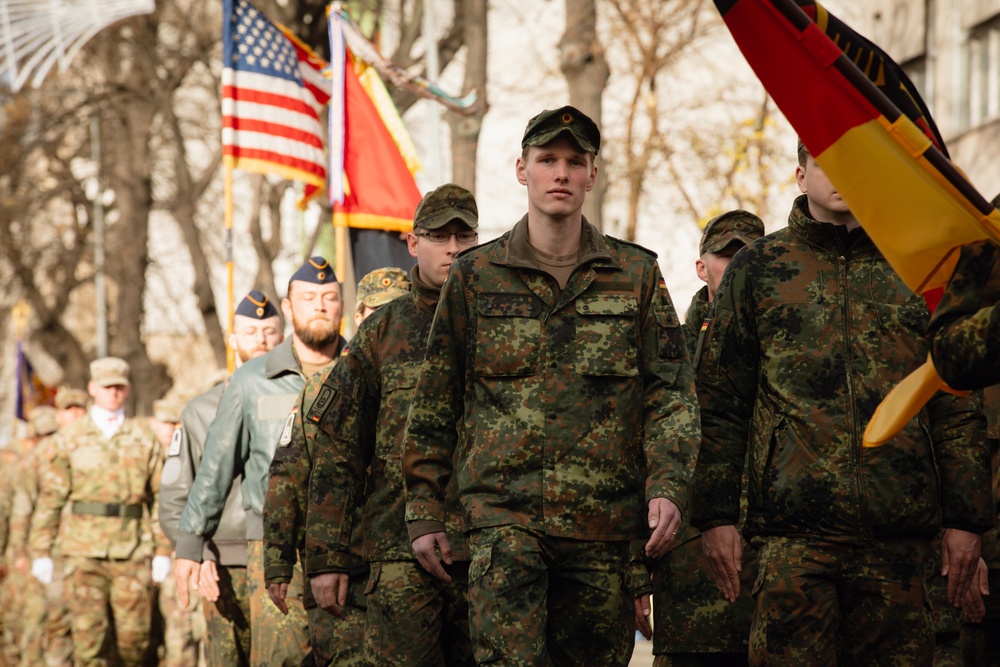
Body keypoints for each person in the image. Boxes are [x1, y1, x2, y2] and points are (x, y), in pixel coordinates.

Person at [402, 106, 700, 666]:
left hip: (602, 531)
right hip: (502, 525)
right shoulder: (474, 276)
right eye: (547, 160)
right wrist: (423, 509)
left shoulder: (635, 276)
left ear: (592, 174)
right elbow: (436, 400)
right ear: (522, 170)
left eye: (574, 161)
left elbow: (671, 396)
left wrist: (668, 484)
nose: (560, 173)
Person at [691, 142, 993, 665]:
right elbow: (721, 403)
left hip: (899, 541)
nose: (842, 175)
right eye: (826, 161)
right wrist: (715, 517)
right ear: (801, 175)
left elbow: (955, 401)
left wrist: (967, 521)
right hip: (792, 544)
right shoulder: (757, 268)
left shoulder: (919, 268)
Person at [305, 186, 479, 667]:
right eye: (439, 236)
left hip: (491, 553)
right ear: (412, 243)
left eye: (463, 236)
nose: (452, 248)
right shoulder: (383, 331)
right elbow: (338, 449)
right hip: (400, 554)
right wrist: (327, 558)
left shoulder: (505, 324)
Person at [174, 258, 344, 667]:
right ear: (288, 308)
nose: (319, 305)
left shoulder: (364, 369)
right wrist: (189, 544)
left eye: (329, 297)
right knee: (281, 660)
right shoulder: (252, 380)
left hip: (352, 544)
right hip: (275, 547)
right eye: (308, 298)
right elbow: (215, 467)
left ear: (342, 304)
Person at [264, 265, 409, 666]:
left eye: (399, 313)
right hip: (347, 574)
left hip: (413, 571)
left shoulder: (434, 380)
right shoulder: (323, 387)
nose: (388, 325)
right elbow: (287, 480)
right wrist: (278, 563)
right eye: (377, 315)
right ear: (359, 318)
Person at [649, 210, 764, 666]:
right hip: (690, 579)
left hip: (775, 572)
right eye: (725, 256)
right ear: (702, 267)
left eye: (749, 256)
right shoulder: (668, 349)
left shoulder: (791, 348)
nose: (736, 267)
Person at [160, 290, 283, 666]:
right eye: (250, 332)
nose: (261, 340)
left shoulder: (298, 397)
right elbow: (174, 499)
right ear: (232, 340)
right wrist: (196, 552)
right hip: (222, 566)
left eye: (270, 332)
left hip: (280, 560)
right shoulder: (200, 410)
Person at [28, 357, 173, 667]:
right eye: (107, 387)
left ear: (128, 389)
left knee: (134, 642)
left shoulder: (144, 437)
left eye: (119, 386)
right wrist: (41, 550)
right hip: (83, 554)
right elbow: (51, 499)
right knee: (88, 641)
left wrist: (163, 549)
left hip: (132, 551)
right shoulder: (69, 439)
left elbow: (161, 496)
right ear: (93, 388)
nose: (113, 393)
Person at [1, 406, 58, 666]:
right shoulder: (18, 462)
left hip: (47, 549)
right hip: (22, 549)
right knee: (21, 617)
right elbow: (16, 513)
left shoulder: (52, 460)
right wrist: (17, 552)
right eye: (42, 435)